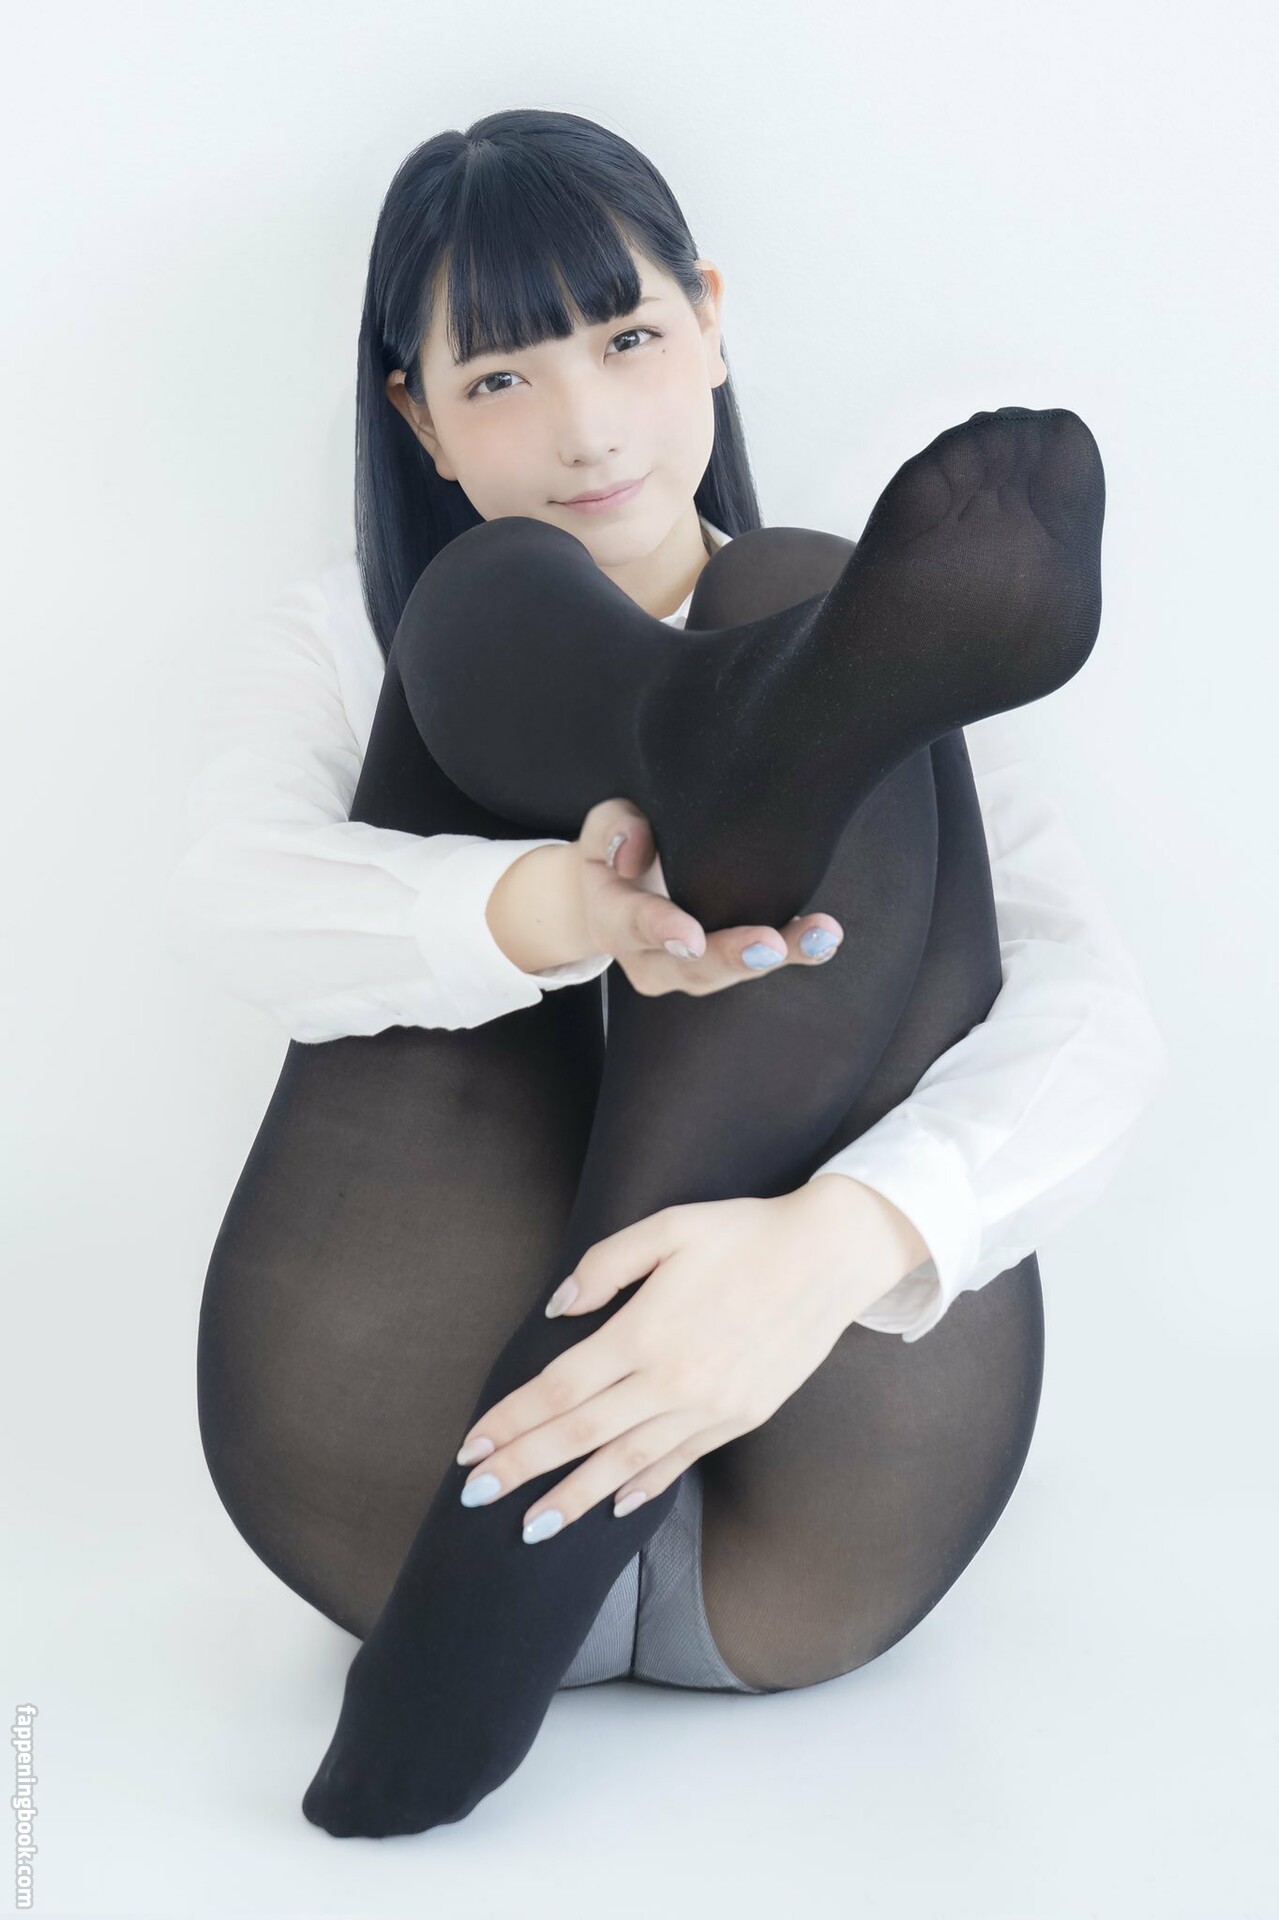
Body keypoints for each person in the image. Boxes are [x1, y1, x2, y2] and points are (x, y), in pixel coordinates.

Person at [162, 109, 1169, 1838]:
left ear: (710, 317)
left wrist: (831, 1247)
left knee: (795, 594)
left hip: (822, 1471)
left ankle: (494, 1615)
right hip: (406, 1452)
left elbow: (1098, 1026)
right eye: (500, 379)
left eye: (626, 338)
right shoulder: (343, 634)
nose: (587, 428)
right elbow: (231, 900)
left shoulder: (884, 629)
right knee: (477, 607)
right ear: (417, 413)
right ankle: (697, 726)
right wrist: (558, 910)